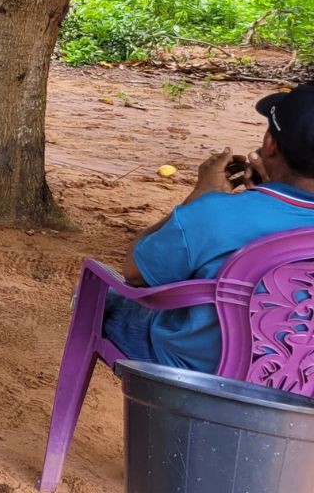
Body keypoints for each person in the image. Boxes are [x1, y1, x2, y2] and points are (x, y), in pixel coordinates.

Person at [103, 83, 314, 372]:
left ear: (269, 144)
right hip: (297, 381)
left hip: (199, 374)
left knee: (104, 297)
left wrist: (198, 198)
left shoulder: (218, 214)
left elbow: (135, 272)